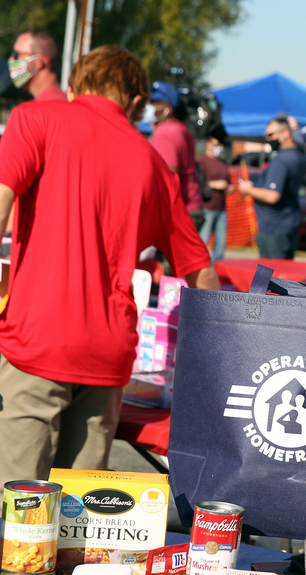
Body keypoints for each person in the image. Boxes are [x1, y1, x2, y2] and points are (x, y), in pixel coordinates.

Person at [0, 45, 221, 485]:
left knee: (17, 512)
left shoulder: (35, 119)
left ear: (75, 84)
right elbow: (200, 271)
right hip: (108, 355)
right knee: (78, 519)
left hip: (35, 340)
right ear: (136, 102)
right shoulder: (156, 167)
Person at [238, 115, 306, 259]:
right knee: (284, 278)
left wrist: (248, 190)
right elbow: (301, 145)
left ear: (285, 133)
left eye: (271, 135)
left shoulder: (281, 161)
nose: (268, 139)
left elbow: (272, 196)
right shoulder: (298, 155)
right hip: (288, 225)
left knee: (268, 279)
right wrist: (296, 130)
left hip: (273, 230)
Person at [148, 80, 205, 230]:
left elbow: (168, 176)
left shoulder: (165, 132)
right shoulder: (180, 129)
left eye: (154, 103)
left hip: (178, 212)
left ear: (168, 108)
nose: (149, 108)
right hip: (192, 207)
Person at [198, 124, 233, 262]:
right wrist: (215, 184)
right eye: (217, 143)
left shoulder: (222, 162)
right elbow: (197, 183)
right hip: (207, 208)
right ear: (208, 143)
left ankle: (217, 272)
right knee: (203, 240)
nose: (220, 147)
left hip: (221, 209)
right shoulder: (202, 161)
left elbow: (227, 181)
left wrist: (228, 187)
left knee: (220, 245)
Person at [8, 28, 67, 101]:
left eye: (16, 55)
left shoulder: (24, 111)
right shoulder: (76, 106)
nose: (11, 59)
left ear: (38, 62)